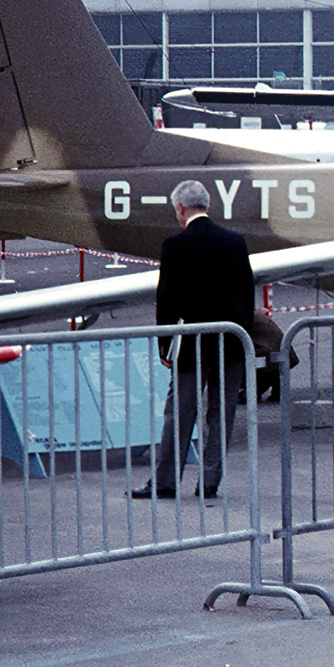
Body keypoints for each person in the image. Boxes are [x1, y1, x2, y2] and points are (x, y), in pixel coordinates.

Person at [132, 179, 255, 500]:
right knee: (221, 413)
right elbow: (247, 294)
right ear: (207, 206)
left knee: (180, 411)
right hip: (231, 338)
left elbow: (168, 298)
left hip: (193, 340)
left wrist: (164, 345)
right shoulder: (235, 241)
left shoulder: (175, 244)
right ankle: (210, 481)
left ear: (180, 209)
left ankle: (166, 481)